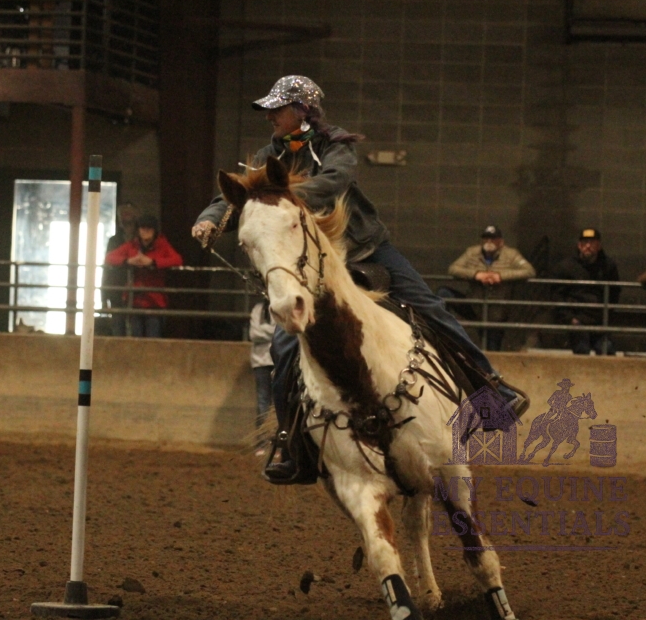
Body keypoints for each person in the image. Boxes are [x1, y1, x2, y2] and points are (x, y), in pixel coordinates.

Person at [191, 75, 528, 481]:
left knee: (431, 308)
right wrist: (210, 219)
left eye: (277, 109)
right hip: (316, 265)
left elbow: (335, 181)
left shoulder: (336, 146)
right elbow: (233, 195)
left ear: (301, 110)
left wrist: (285, 197)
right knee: (282, 348)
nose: (270, 117)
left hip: (367, 249)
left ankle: (491, 393)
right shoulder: (268, 156)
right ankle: (291, 443)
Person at [436, 225, 535, 351]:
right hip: (474, 305)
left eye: (493, 239)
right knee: (443, 293)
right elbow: (453, 268)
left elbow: (529, 271)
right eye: (486, 238)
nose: (489, 242)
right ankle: (443, 333)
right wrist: (476, 274)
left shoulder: (511, 254)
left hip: (497, 311)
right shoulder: (472, 252)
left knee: (492, 348)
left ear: (501, 242)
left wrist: (500, 276)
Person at [104, 214, 183, 338]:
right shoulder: (132, 245)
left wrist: (153, 262)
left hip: (154, 301)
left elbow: (177, 260)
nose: (145, 231)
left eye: (149, 228)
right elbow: (109, 258)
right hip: (134, 300)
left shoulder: (162, 245)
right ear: (138, 230)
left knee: (153, 337)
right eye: (142, 228)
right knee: (135, 337)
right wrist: (128, 261)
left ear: (155, 231)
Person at [553, 228, 621, 355]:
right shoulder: (566, 267)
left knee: (607, 351)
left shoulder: (608, 266)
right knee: (582, 351)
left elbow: (614, 293)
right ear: (579, 245)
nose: (588, 246)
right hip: (577, 321)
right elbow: (557, 295)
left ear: (599, 246)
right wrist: (570, 319)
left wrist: (607, 316)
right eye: (585, 242)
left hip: (599, 322)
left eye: (592, 242)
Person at [102, 202, 139, 336]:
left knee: (136, 329)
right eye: (123, 215)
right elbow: (107, 269)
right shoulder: (114, 241)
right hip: (116, 290)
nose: (126, 218)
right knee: (118, 327)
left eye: (129, 214)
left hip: (137, 292)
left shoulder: (141, 240)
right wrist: (104, 296)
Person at [249, 298, 275, 453]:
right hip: (260, 362)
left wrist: (264, 331)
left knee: (277, 403)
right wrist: (274, 332)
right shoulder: (257, 309)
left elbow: (285, 331)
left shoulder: (279, 307)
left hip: (278, 360)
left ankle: (277, 443)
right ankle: (262, 442)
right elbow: (253, 333)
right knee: (263, 403)